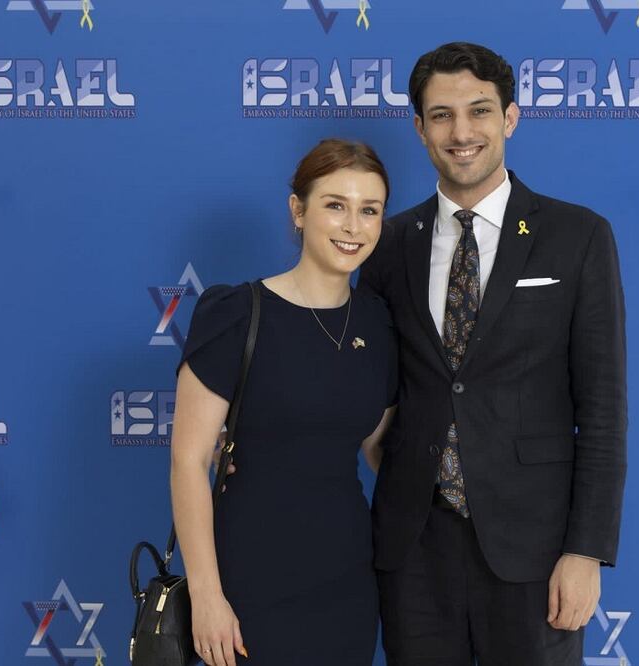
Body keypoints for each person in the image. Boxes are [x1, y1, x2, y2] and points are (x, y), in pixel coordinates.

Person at [360, 42, 627, 665]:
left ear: (510, 118)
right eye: (442, 115)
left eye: (479, 111)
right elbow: (364, 385)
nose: (462, 133)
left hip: (536, 553)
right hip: (413, 551)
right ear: (420, 128)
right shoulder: (387, 243)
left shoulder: (578, 236)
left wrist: (586, 551)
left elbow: (604, 408)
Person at [169, 139, 397, 666]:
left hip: (347, 580)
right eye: (335, 205)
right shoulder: (236, 313)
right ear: (298, 210)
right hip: (250, 579)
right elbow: (188, 461)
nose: (353, 226)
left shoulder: (379, 322)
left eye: (369, 210)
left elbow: (378, 447)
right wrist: (207, 596)